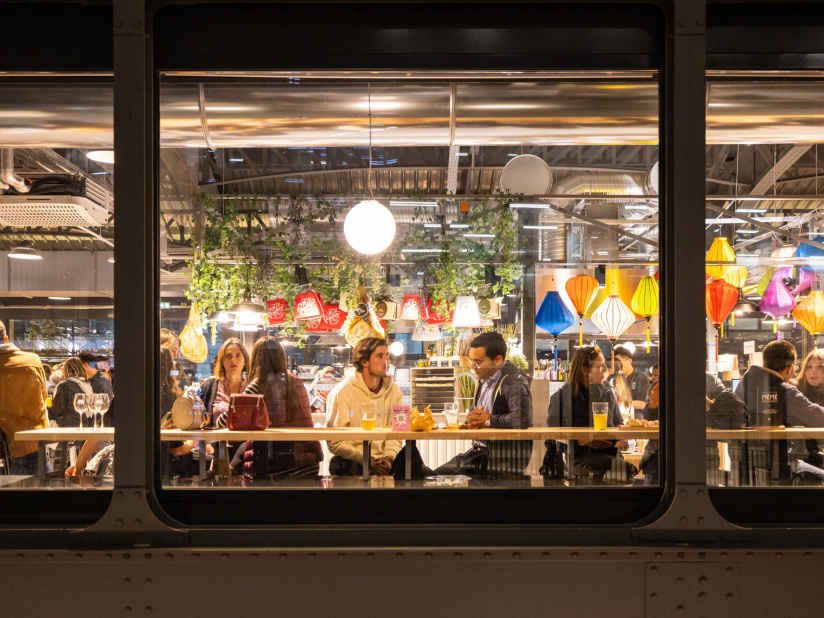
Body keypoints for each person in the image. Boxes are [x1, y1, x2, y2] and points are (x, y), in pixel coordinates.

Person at [434, 331, 533, 479]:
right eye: (471, 361)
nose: (472, 367)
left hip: (502, 461)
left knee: (436, 479)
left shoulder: (513, 381)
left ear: (498, 360)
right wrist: (471, 419)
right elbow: (478, 418)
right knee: (432, 477)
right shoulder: (483, 380)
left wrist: (488, 420)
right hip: (479, 455)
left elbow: (523, 418)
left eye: (478, 362)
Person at [231, 336, 322, 478]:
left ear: (256, 360)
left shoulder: (257, 385)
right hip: (309, 463)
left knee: (235, 466)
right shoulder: (297, 382)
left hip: (276, 465)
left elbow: (226, 420)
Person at [546, 345, 636, 480]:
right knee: (629, 470)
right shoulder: (562, 397)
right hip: (579, 458)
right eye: (600, 366)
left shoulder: (606, 391)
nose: (606, 370)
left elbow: (618, 422)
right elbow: (551, 437)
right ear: (584, 370)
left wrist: (620, 438)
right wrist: (582, 441)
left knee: (629, 471)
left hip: (611, 453)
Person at [326, 337, 403, 477]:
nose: (388, 361)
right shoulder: (341, 393)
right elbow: (335, 442)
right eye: (380, 356)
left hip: (386, 460)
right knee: (347, 468)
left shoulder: (396, 391)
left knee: (416, 467)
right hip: (353, 461)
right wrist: (366, 460)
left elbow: (399, 432)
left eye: (387, 356)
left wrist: (389, 458)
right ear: (364, 361)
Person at [0, 320, 50, 475]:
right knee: (47, 492)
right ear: (6, 338)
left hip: (6, 447)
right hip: (35, 441)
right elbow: (44, 396)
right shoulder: (33, 360)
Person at [735, 340, 824, 427]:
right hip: (773, 441)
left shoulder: (742, 384)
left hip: (746, 441)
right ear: (789, 369)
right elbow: (817, 418)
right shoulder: (785, 390)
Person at [198, 337, 249, 428]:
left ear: (244, 360)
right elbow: (197, 421)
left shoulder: (251, 388)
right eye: (229, 356)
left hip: (244, 441)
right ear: (222, 361)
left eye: (238, 355)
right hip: (214, 441)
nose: (233, 360)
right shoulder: (208, 386)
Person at [50, 357, 95, 428]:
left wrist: (43, 410)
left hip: (68, 426)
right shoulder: (87, 385)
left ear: (66, 370)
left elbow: (56, 411)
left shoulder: (64, 385)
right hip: (85, 424)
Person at [611, 345, 649, 415]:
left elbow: (641, 404)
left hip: (635, 417)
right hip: (617, 416)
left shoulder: (641, 378)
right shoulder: (614, 378)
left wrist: (619, 404)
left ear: (629, 361)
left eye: (620, 362)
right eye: (615, 363)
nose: (618, 366)